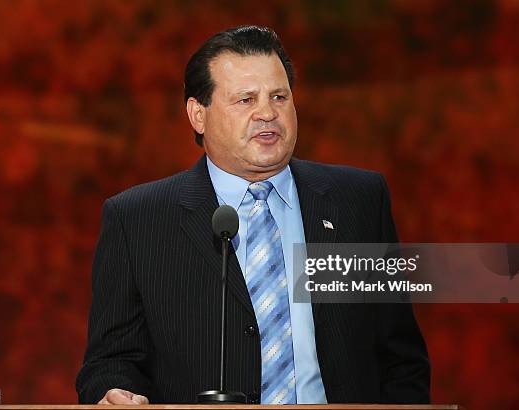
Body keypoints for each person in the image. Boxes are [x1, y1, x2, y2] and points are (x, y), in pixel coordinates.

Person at [76, 25, 430, 405]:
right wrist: (113, 392)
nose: (267, 113)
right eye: (246, 100)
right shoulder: (138, 220)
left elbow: (400, 358)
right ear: (198, 114)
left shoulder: (356, 202)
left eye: (279, 96)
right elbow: (109, 363)